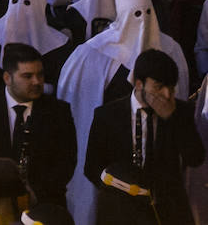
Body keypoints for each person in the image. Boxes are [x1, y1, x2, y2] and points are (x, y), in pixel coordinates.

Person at [84, 48, 204, 224]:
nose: (166, 95)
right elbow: (92, 167)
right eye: (158, 87)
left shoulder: (181, 112)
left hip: (166, 213)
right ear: (139, 84)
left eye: (171, 87)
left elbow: (195, 158)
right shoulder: (108, 115)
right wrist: (119, 190)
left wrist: (172, 119)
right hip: (120, 212)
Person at [0, 43, 77, 206]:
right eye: (27, 76)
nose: (37, 82)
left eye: (40, 75)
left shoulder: (58, 112)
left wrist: (32, 195)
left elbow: (66, 163)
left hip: (44, 205)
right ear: (7, 78)